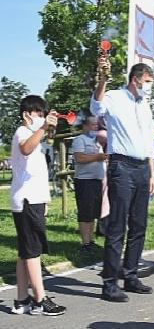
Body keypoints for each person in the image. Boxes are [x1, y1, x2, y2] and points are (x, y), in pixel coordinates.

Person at [91, 60, 154, 302]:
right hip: (121, 166)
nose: (150, 87)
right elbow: (96, 107)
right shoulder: (115, 97)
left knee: (139, 226)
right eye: (148, 82)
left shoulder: (145, 106)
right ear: (136, 80)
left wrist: (151, 173)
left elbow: (148, 141)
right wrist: (103, 78)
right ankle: (109, 283)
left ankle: (130, 276)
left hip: (142, 168)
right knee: (117, 226)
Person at [10, 95, 66, 315]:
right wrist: (43, 127)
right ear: (27, 115)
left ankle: (22, 299)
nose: (42, 118)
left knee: (25, 252)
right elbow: (25, 148)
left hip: (33, 199)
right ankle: (40, 300)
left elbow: (42, 144)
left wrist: (48, 127)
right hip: (26, 200)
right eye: (39, 114)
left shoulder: (35, 136)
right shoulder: (22, 132)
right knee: (33, 252)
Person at [72, 115, 108, 252]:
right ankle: (85, 243)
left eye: (97, 125)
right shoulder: (80, 140)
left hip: (96, 181)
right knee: (85, 213)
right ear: (85, 126)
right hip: (84, 181)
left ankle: (90, 240)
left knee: (93, 213)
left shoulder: (96, 142)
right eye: (93, 125)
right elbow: (79, 157)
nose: (96, 128)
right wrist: (98, 157)